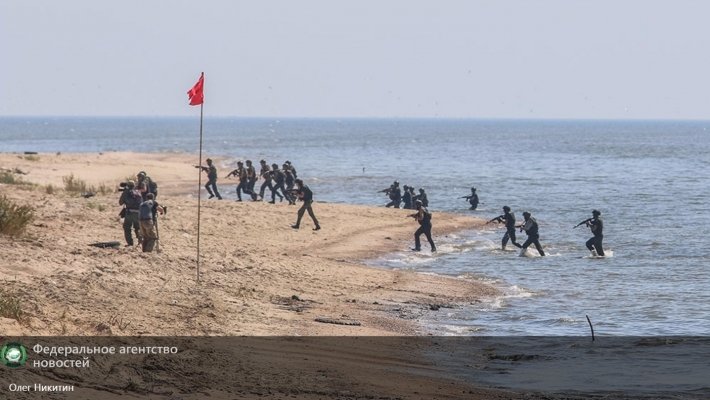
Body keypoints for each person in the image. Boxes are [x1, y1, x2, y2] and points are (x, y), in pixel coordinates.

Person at [118, 180, 143, 247]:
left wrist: (124, 193)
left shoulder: (126, 192)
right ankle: (140, 241)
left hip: (129, 213)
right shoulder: (137, 192)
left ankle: (130, 243)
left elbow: (120, 203)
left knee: (127, 228)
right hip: (138, 213)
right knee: (137, 228)